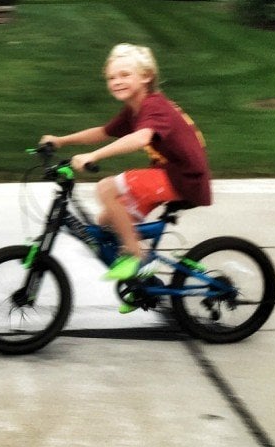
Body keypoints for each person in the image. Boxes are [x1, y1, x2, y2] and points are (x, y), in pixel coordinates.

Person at [40, 43, 211, 309]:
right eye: (111, 77)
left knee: (107, 188)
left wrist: (93, 157)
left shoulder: (154, 106)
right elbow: (103, 131)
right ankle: (142, 284)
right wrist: (61, 141)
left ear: (146, 76)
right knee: (108, 222)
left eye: (124, 75)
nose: (116, 81)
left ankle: (137, 255)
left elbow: (141, 137)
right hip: (170, 174)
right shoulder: (135, 108)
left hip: (183, 177)